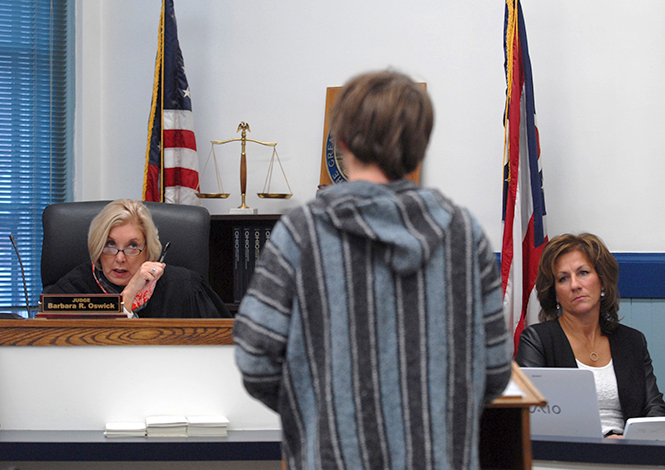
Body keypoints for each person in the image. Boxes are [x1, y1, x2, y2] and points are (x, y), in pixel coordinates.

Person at [233, 70, 512, 469]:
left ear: (341, 141)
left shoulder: (302, 233)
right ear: (420, 146)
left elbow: (255, 357)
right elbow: (497, 367)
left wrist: (317, 411)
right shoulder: (464, 234)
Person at [515, 233, 665, 437]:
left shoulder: (632, 341)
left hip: (629, 453)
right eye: (563, 278)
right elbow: (532, 415)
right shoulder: (537, 340)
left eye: (583, 273)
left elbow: (654, 408)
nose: (575, 285)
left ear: (602, 281)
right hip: (566, 457)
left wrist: (631, 441)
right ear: (555, 292)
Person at [44, 199, 231, 319]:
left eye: (132, 246)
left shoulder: (185, 288)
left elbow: (224, 345)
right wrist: (129, 294)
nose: (119, 258)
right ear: (97, 247)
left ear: (148, 251)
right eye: (110, 244)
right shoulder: (71, 292)